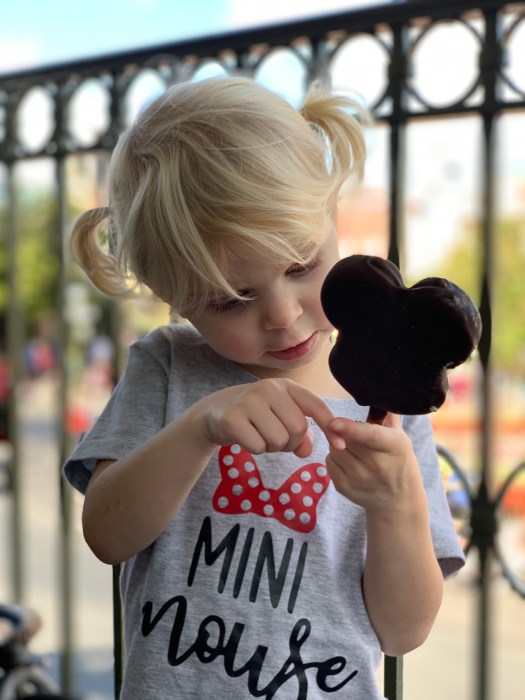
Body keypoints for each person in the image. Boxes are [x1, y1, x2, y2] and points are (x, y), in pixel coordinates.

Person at [63, 76, 464, 700]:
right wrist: (199, 427)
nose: (282, 313)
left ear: (331, 217)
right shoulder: (168, 366)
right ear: (175, 298)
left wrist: (396, 504)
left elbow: (403, 631)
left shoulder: (391, 402)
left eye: (302, 264)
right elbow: (107, 536)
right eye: (232, 298)